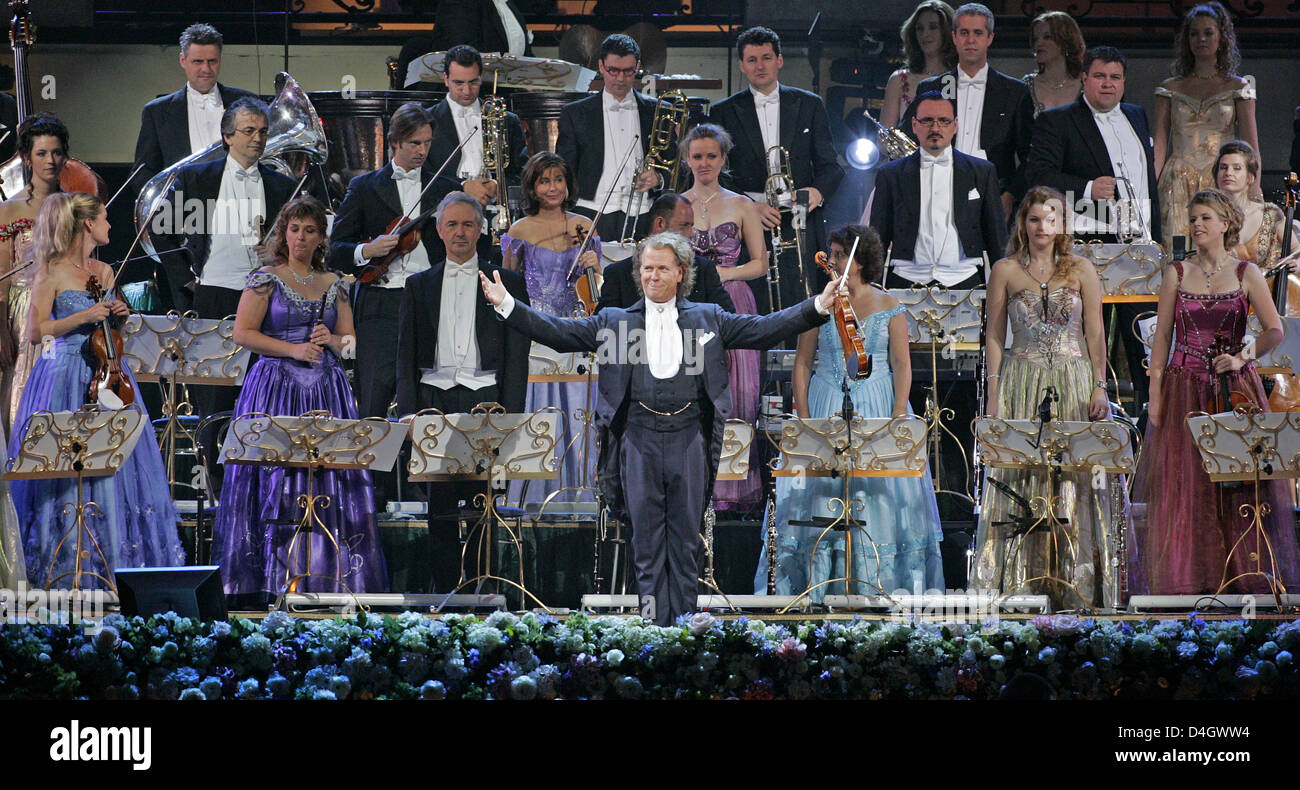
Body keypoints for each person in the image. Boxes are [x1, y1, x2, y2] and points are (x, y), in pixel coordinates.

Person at [479, 232, 840, 626]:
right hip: (637, 439)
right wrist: (507, 305)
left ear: (680, 273)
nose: (653, 276)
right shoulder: (615, 320)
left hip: (689, 437)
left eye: (662, 268)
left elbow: (763, 328)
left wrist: (819, 305)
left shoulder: (708, 317)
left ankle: (684, 627)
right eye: (646, 268)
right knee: (647, 546)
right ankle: (653, 627)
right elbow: (559, 334)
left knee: (685, 546)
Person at [212, 196, 387, 606]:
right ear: (283, 233)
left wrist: (335, 341)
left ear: (321, 237)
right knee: (274, 478)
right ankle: (268, 578)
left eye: (310, 231)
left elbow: (350, 341)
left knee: (327, 480)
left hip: (326, 390)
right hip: (274, 388)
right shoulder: (265, 279)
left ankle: (326, 578)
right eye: (294, 230)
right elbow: (242, 334)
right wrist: (291, 350)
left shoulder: (336, 284)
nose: (301, 238)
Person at [756, 225, 944, 602]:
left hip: (876, 402)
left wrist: (896, 417)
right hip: (827, 399)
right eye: (833, 253)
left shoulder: (890, 306)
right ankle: (814, 592)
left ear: (861, 261)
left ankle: (877, 591)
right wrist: (805, 418)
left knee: (877, 496)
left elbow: (901, 364)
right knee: (823, 493)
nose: (835, 260)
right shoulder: (822, 302)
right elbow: (803, 363)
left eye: (842, 254)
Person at [8, 192, 184, 590]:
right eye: (104, 218)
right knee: (65, 468)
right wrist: (84, 315)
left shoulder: (104, 271)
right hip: (65, 371)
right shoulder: (51, 270)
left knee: (114, 464)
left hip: (108, 375)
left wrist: (118, 314)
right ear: (87, 224)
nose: (109, 225)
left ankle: (114, 563)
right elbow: (36, 331)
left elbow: (110, 331)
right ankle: (62, 566)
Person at [1134, 189, 1300, 595]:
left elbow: (1274, 329)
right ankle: (1188, 583)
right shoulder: (1176, 271)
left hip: (1233, 390)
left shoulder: (1246, 272)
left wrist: (1243, 356)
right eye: (1193, 219)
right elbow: (1163, 340)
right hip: (1182, 388)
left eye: (1205, 218)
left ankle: (1242, 580)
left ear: (1225, 224)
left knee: (1237, 483)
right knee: (1185, 486)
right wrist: (1155, 395)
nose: (1196, 225)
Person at [974, 187, 1132, 609]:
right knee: (1022, 473)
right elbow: (993, 335)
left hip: (1074, 379)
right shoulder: (1005, 270)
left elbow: (1096, 332)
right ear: (1023, 224)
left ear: (1062, 225)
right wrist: (993, 391)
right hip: (1020, 378)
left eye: (1051, 219)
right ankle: (1021, 584)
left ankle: (1074, 584)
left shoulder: (1081, 269)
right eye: (1034, 219)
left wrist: (1101, 385)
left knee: (1074, 477)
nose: (1042, 228)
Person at [327, 102, 461, 510]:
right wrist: (369, 249)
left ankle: (426, 486)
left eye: (427, 143)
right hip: (381, 301)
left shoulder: (443, 188)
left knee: (425, 392)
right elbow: (335, 251)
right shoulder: (365, 187)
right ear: (395, 143)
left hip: (428, 300)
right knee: (375, 391)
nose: (422, 151)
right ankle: (373, 490)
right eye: (414, 143)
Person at [396, 192, 530, 593]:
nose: (459, 232)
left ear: (481, 230)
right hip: (433, 401)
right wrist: (408, 413)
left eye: (467, 224)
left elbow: (516, 356)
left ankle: (481, 591)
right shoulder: (418, 285)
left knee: (481, 504)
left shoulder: (509, 282)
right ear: (438, 231)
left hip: (485, 400)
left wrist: (512, 416)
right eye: (451, 224)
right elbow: (404, 355)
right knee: (438, 506)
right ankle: (443, 592)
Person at [1025, 46, 1162, 411]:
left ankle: (1148, 426)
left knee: (1147, 344)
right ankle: (1084, 422)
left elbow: (1147, 183)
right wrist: (1086, 188)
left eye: (1115, 77)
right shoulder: (1057, 121)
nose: (1107, 84)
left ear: (1124, 82)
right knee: (1087, 339)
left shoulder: (1136, 115)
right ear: (1084, 79)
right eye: (1100, 76)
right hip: (1089, 249)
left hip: (1141, 251)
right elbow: (1038, 177)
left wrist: (1157, 237)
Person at [711, 26, 843, 315]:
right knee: (756, 298)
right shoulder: (723, 111)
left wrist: (816, 193)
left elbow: (830, 166)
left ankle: (801, 359)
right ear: (742, 66)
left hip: (799, 216)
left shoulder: (809, 104)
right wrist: (749, 206)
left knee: (803, 296)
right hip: (749, 216)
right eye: (752, 59)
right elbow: (718, 174)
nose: (760, 66)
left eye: (767, 57)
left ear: (779, 60)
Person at [499, 151, 602, 508]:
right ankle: (532, 501)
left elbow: (596, 293)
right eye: (545, 180)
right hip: (538, 337)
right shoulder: (519, 230)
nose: (553, 187)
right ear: (533, 186)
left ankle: (583, 497)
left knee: (579, 415)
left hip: (577, 333)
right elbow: (509, 285)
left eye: (558, 179)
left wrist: (594, 265)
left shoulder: (584, 226)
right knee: (540, 415)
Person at [679, 123, 768, 511]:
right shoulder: (675, 204)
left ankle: (733, 493)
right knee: (693, 395)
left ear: (723, 159)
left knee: (738, 395)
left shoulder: (741, 204)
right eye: (697, 156)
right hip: (689, 306)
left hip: (733, 302)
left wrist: (723, 275)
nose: (704, 163)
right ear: (686, 159)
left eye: (711, 156)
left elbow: (760, 263)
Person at [905, 3, 1034, 216]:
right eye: (964, 33)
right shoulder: (931, 88)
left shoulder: (1015, 92)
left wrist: (1010, 195)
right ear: (954, 37)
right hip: (937, 194)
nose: (971, 40)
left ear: (989, 38)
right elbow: (910, 143)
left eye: (978, 33)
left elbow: (1030, 156)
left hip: (994, 195)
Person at [1153, 2, 1261, 251]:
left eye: (1208, 32)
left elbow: (1250, 147)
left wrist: (1254, 190)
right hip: (1177, 181)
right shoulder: (1169, 88)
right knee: (1177, 252)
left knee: (1221, 251)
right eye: (1194, 33)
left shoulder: (1239, 87)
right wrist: (1150, 191)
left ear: (1221, 37)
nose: (1201, 39)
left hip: (1222, 177)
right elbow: (1159, 144)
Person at [872, 91, 1007, 290]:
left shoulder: (982, 171)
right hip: (904, 279)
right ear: (914, 125)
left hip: (965, 280)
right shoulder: (890, 174)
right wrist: (872, 289)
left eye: (943, 121)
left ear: (955, 125)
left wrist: (1004, 289)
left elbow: (997, 237)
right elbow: (877, 238)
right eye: (927, 121)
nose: (935, 128)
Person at [1212, 140, 1300, 413]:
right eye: (1224, 167)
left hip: (1270, 309)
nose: (1229, 172)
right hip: (1230, 311)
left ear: (1250, 177)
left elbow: (1296, 251)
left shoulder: (1271, 214)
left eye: (1237, 168)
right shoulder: (1209, 216)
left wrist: (1297, 262)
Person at [0, 114, 71, 433]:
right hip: (24, 311)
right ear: (27, 158)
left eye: (56, 152)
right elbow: (1, 279)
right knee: (22, 391)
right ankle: (22, 478)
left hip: (68, 308)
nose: (50, 160)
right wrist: (1, 331)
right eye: (41, 153)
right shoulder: (10, 210)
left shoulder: (76, 206)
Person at [555, 34, 661, 244]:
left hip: (642, 212)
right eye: (613, 70)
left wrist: (658, 179)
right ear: (601, 66)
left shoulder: (656, 110)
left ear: (637, 67)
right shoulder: (575, 113)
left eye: (628, 71)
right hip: (590, 210)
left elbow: (673, 162)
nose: (620, 78)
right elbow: (565, 169)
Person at [132, 23, 257, 190]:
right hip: (184, 209)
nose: (206, 69)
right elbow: (143, 173)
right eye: (198, 61)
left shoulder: (246, 102)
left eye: (212, 61)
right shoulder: (156, 112)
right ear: (183, 60)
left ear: (220, 59)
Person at [429, 45, 528, 218]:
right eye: (458, 83)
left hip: (497, 216)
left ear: (481, 78)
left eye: (473, 82)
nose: (466, 91)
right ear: (445, 79)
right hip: (443, 216)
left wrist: (497, 186)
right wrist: (462, 187)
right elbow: (422, 176)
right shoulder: (427, 120)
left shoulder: (507, 120)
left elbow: (523, 173)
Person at [597, 193, 734, 312]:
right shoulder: (618, 274)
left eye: (691, 226)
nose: (691, 234)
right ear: (660, 224)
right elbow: (603, 329)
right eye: (684, 226)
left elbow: (727, 320)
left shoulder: (704, 270)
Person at [880, 2, 958, 129]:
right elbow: (884, 142)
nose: (925, 34)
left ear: (948, 32)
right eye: (919, 28)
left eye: (933, 27)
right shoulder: (899, 80)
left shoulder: (963, 79)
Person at [1022, 11, 1084, 117]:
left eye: (1047, 37)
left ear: (1066, 40)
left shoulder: (1087, 86)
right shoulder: (1025, 87)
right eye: (1036, 39)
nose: (1038, 43)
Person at [429, 0, 532, 57]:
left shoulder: (509, 5)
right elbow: (463, 51)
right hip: (463, 90)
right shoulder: (459, 3)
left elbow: (523, 54)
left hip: (506, 87)